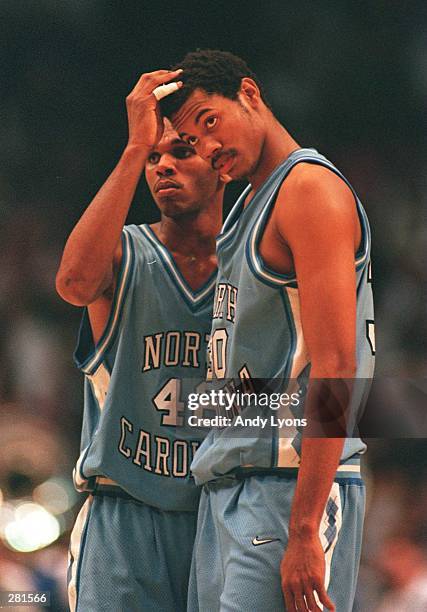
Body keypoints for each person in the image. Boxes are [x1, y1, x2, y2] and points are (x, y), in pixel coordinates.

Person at [161, 50, 375, 612]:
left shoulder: (307, 189)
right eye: (191, 144)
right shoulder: (248, 203)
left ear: (250, 94)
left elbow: (335, 365)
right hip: (232, 485)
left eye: (210, 121)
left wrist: (304, 528)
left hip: (288, 488)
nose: (207, 148)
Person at [56, 69, 226, 612]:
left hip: (218, 510)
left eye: (180, 152)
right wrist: (134, 147)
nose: (163, 167)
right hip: (123, 512)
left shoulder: (250, 260)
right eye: (155, 159)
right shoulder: (125, 252)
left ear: (222, 165)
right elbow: (73, 284)